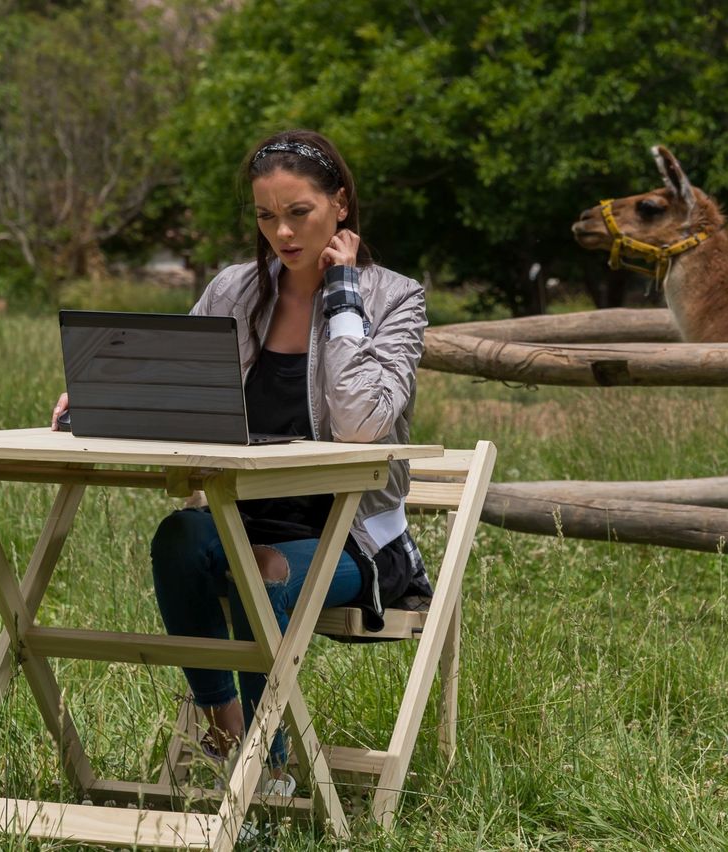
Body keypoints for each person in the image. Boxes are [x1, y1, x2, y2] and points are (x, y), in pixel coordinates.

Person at [51, 129, 430, 793]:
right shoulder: (234, 289)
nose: (280, 232)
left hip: (347, 537)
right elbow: (181, 382)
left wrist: (341, 294)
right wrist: (101, 392)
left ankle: (271, 769)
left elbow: (361, 422)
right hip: (239, 517)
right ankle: (229, 729)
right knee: (179, 538)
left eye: (298, 213)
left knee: (257, 569)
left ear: (340, 204)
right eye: (264, 216)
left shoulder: (394, 297)